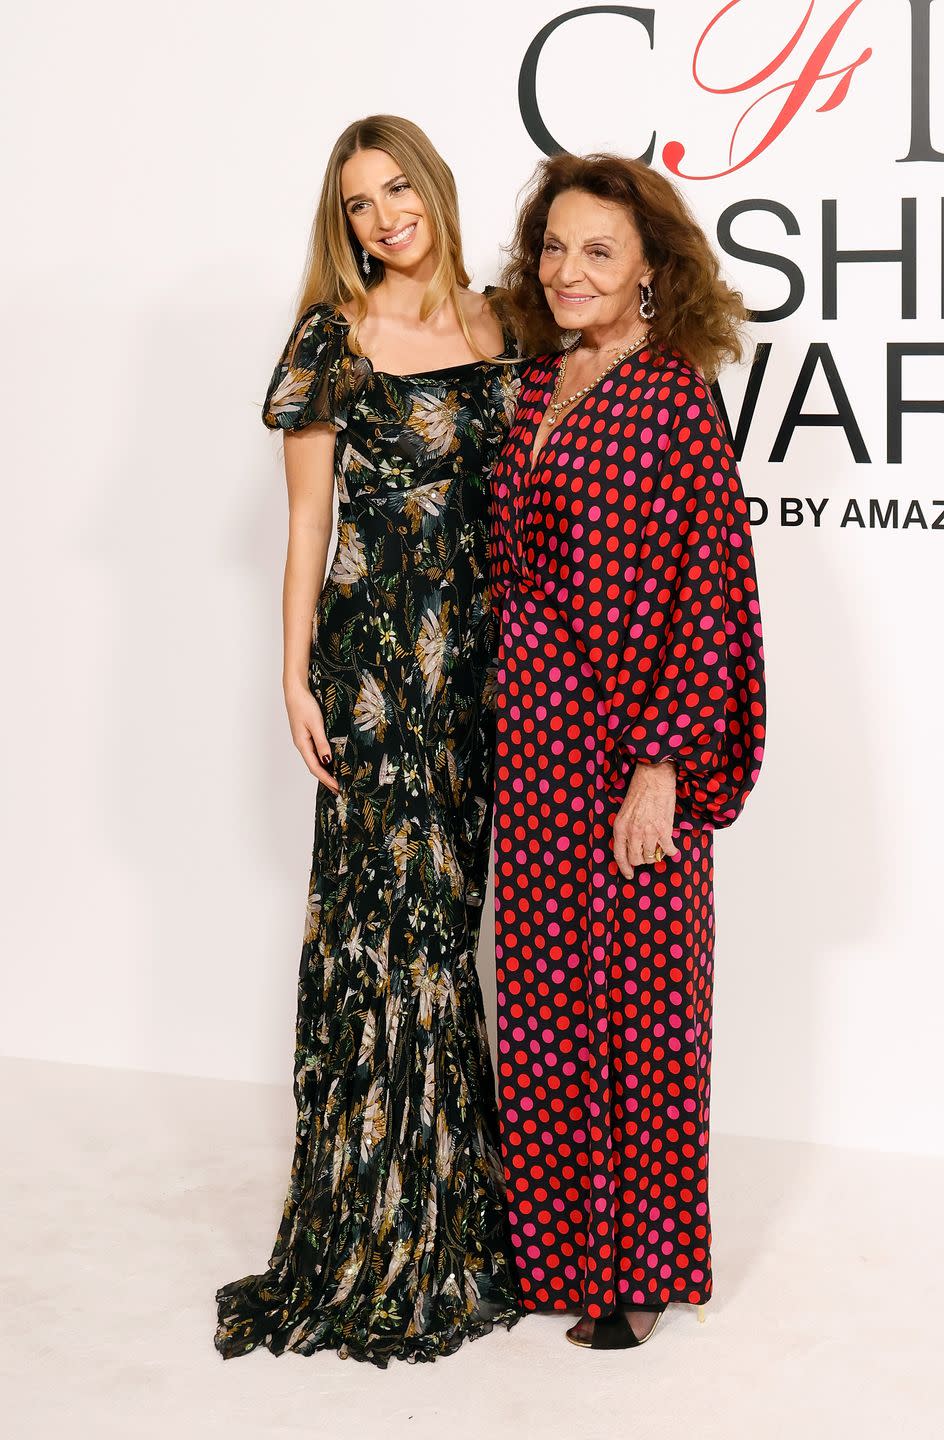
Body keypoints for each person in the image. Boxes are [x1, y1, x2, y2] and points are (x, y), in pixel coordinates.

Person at [215, 115, 523, 1368]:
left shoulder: (509, 323)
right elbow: (307, 527)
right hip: (383, 677)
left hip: (494, 674)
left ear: (435, 189)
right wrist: (292, 676)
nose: (386, 214)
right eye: (358, 203)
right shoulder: (333, 341)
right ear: (339, 225)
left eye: (398, 188)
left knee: (453, 932)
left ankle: (464, 1210)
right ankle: (378, 1232)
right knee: (386, 940)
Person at [490, 153, 766, 1350]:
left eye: (598, 250)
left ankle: (637, 1272)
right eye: (554, 246)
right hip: (531, 743)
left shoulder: (671, 397)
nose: (567, 269)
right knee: (547, 1000)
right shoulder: (533, 382)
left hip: (628, 743)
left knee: (646, 1008)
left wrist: (660, 763)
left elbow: (710, 590)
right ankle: (558, 1254)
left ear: (651, 268)